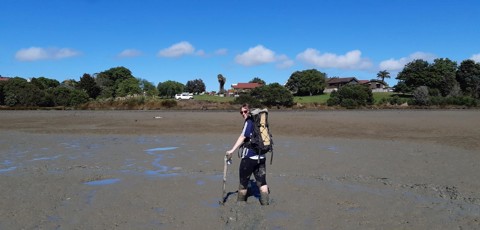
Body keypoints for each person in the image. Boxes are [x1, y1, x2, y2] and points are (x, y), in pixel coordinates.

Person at [226, 103, 269, 205]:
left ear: (250, 111)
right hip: (261, 156)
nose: (243, 114)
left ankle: (240, 204)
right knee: (262, 182)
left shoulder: (249, 121)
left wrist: (232, 151)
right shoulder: (261, 122)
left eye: (245, 111)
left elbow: (243, 137)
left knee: (243, 183)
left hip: (249, 158)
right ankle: (265, 204)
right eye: (241, 112)